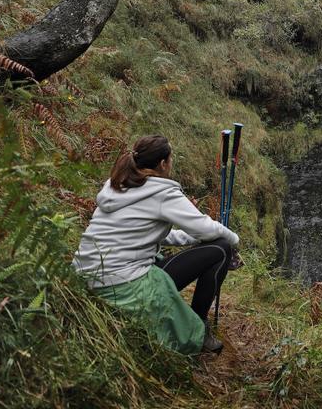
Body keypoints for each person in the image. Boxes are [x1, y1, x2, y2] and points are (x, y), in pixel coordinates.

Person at [72, 135, 238, 354]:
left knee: (214, 244)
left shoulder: (117, 185)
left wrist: (192, 238)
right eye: (171, 159)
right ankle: (198, 328)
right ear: (163, 164)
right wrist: (235, 240)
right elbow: (207, 228)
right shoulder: (162, 193)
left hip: (85, 277)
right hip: (122, 283)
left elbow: (140, 234)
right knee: (221, 248)